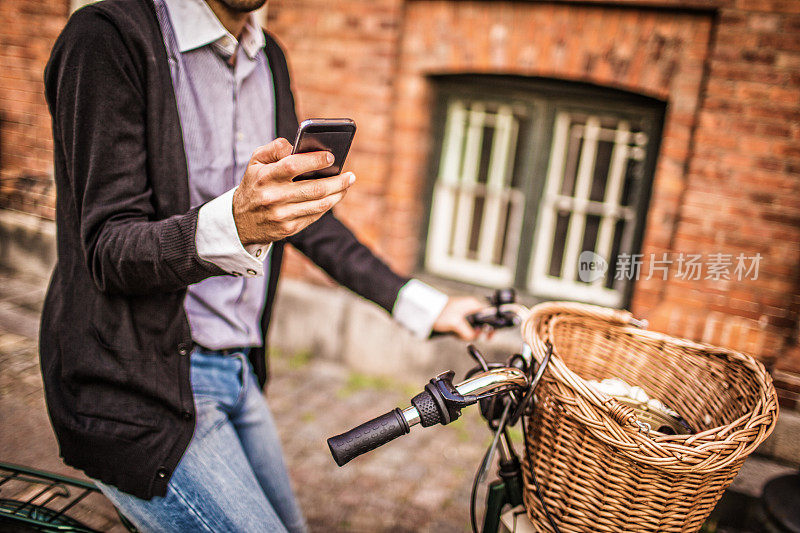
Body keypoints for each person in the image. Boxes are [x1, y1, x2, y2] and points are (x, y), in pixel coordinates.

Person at [41, 0, 484, 530]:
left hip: (239, 368)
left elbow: (300, 219)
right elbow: (107, 248)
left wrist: (426, 305)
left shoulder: (269, 56)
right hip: (133, 387)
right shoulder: (105, 37)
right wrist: (236, 224)